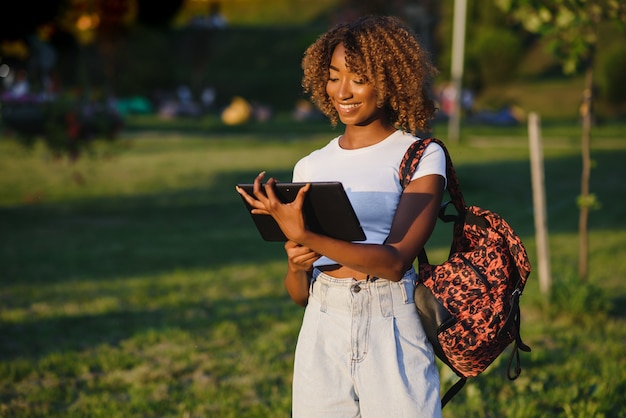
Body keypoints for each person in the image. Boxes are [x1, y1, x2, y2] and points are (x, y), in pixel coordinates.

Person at [236, 15, 445, 417]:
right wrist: (297, 265)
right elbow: (301, 295)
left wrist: (308, 236)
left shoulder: (419, 155)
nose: (342, 91)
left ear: (388, 80)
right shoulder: (311, 167)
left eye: (358, 78)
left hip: (390, 322)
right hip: (323, 322)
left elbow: (395, 261)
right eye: (333, 77)